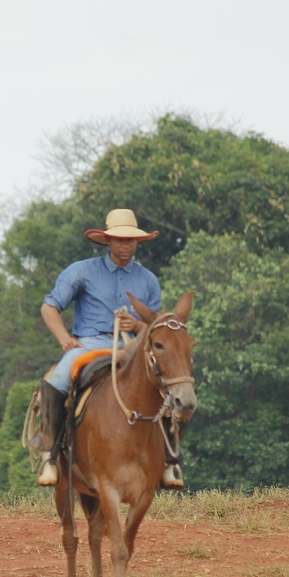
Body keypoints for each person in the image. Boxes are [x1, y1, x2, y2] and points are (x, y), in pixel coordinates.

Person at [35, 208, 182, 488]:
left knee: (172, 383)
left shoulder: (148, 280)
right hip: (90, 344)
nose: (125, 245)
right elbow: (49, 307)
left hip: (135, 348)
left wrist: (137, 325)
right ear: (108, 241)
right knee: (57, 380)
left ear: (138, 242)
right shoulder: (82, 271)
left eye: (130, 240)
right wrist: (65, 339)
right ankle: (49, 456)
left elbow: (153, 327)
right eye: (119, 239)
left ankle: (171, 462)